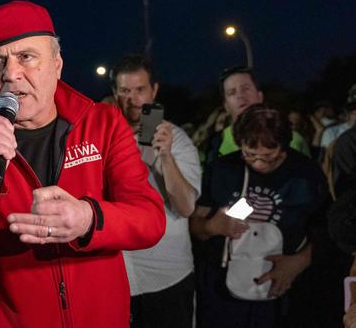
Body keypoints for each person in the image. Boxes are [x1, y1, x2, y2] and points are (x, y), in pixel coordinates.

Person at [0, 0, 165, 327]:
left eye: (27, 57)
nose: (11, 73)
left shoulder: (104, 124)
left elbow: (150, 220)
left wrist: (89, 218)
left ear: (57, 64)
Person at [190, 104, 327, 328]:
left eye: (269, 156)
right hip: (224, 291)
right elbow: (195, 224)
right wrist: (211, 227)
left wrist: (300, 261)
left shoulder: (307, 174)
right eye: (250, 155)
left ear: (284, 146)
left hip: (284, 292)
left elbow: (327, 232)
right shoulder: (222, 169)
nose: (260, 164)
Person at [111, 54, 201, 328]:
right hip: (118, 281)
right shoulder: (104, 139)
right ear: (115, 93)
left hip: (168, 277)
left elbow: (186, 208)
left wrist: (166, 157)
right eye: (125, 91)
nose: (133, 99)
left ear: (154, 90)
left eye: (140, 90)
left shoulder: (178, 141)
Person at [203, 66, 310, 166]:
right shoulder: (213, 145)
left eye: (246, 89)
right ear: (226, 105)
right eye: (232, 92)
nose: (240, 96)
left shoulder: (293, 140)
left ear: (260, 96)